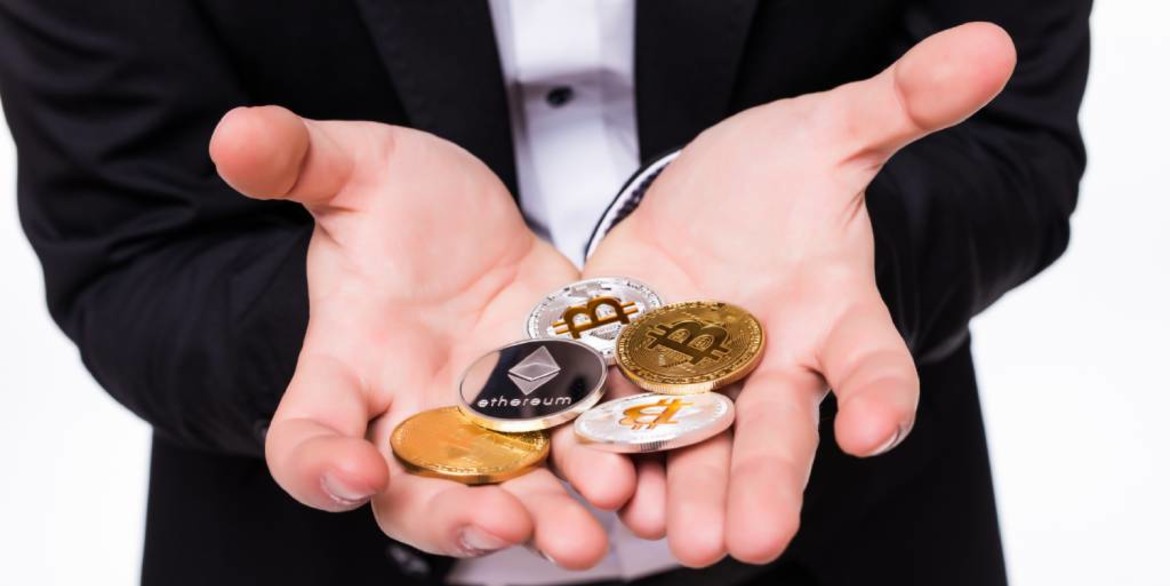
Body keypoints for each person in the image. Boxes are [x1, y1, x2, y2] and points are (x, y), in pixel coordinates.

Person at [0, 1, 1091, 585]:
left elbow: (1011, 146)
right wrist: (332, 337)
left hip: (856, 527)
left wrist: (854, 247)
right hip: (303, 548)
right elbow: (128, 241)